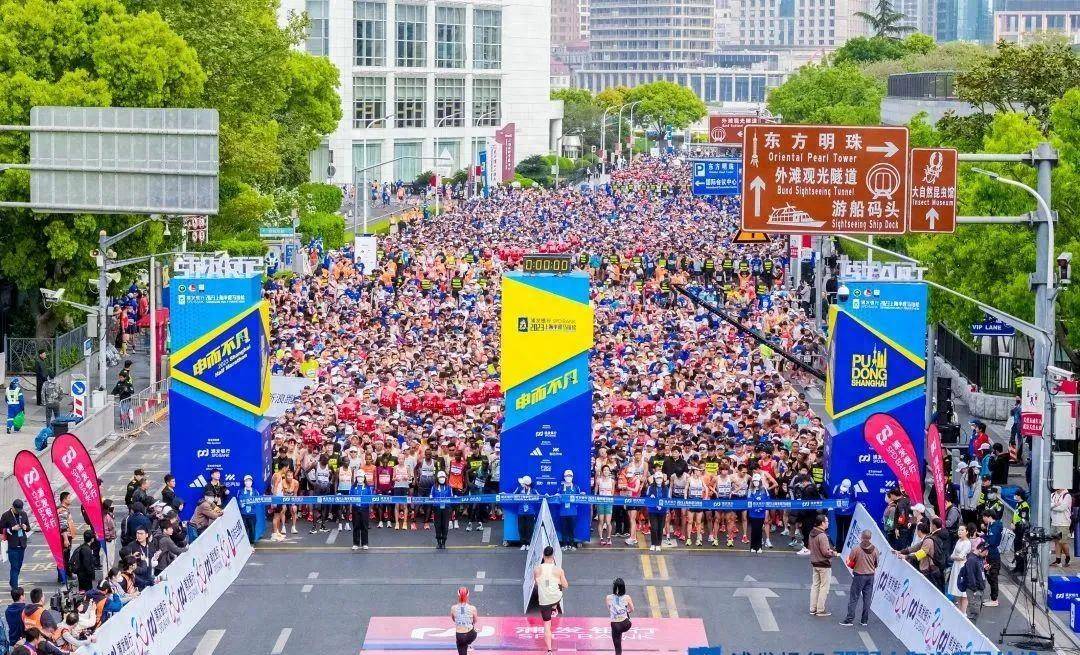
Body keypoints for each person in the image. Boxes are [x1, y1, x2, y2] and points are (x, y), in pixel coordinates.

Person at [533, 546, 568, 655]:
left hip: (543, 601)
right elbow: (566, 585)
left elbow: (536, 583)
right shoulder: (559, 570)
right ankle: (554, 607)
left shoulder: (537, 569)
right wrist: (557, 581)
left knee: (546, 627)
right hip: (555, 598)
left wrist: (546, 583)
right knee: (560, 588)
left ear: (543, 556)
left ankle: (549, 650)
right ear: (553, 556)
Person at [840, 529, 878, 626]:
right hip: (870, 576)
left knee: (854, 598)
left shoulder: (856, 549)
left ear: (861, 537)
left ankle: (849, 619)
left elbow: (849, 562)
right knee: (867, 599)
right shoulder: (875, 550)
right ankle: (864, 620)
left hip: (859, 576)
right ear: (870, 538)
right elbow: (876, 564)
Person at [808, 514, 835, 617]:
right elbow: (825, 552)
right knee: (824, 587)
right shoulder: (822, 536)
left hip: (815, 563)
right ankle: (820, 609)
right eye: (827, 521)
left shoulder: (812, 533)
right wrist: (833, 553)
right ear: (822, 523)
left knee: (815, 585)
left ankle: (813, 608)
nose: (828, 523)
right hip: (824, 564)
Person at [1, 500, 31, 589]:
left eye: (20, 510)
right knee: (14, 566)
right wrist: (12, 528)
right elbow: (1, 528)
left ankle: (12, 581)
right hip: (12, 545)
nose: (18, 511)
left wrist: (26, 528)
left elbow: (28, 528)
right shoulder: (6, 515)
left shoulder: (23, 514)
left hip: (22, 544)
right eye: (17, 510)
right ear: (12, 507)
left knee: (18, 565)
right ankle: (15, 587)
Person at [958, 538, 988, 623]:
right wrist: (975, 590)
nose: (986, 553)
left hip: (979, 589)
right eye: (985, 551)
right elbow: (970, 576)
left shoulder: (979, 559)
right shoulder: (971, 560)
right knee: (973, 613)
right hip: (974, 590)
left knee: (976, 612)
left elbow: (978, 573)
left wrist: (984, 569)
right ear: (980, 550)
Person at [947, 524, 973, 613]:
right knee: (956, 587)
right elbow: (953, 554)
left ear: (967, 532)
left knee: (963, 591)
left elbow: (961, 557)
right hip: (956, 566)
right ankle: (959, 609)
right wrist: (955, 557)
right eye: (959, 530)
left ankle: (963, 611)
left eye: (962, 530)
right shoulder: (958, 541)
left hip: (963, 566)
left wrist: (954, 557)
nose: (960, 532)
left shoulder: (967, 542)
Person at [606, 578, 635, 655]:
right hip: (626, 624)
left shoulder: (608, 597)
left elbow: (609, 609)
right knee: (626, 614)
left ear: (614, 587)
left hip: (615, 625)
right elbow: (632, 609)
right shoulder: (627, 597)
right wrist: (626, 611)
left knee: (617, 646)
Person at [980, 510, 1002, 607]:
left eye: (984, 517)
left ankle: (994, 599)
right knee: (989, 576)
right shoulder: (990, 525)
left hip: (993, 554)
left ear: (988, 516)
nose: (983, 519)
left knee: (993, 576)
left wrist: (984, 539)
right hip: (990, 554)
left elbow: (992, 541)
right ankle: (992, 597)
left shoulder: (995, 526)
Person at [643, 472, 669, 552]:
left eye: (660, 478)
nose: (659, 480)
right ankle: (653, 544)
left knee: (660, 528)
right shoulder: (650, 487)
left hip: (662, 510)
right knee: (654, 528)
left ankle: (658, 544)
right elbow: (646, 497)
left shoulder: (666, 488)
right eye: (657, 478)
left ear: (662, 479)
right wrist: (650, 497)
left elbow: (668, 499)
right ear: (654, 479)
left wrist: (666, 509)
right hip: (652, 510)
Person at [451, 586, 478, 655]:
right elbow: (475, 621)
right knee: (474, 629)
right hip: (471, 634)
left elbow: (454, 619)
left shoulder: (453, 608)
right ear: (468, 595)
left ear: (458, 595)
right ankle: (468, 644)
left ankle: (466, 647)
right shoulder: (473, 608)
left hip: (460, 636)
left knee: (462, 648)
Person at [557, 470, 581, 550]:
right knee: (563, 529)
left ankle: (572, 544)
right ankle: (564, 544)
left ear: (572, 477)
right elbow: (557, 499)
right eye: (567, 476)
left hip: (573, 512)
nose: (568, 477)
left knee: (571, 529)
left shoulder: (576, 487)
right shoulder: (560, 487)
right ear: (564, 477)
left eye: (570, 476)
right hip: (563, 512)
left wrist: (582, 496)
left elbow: (579, 499)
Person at [513, 476, 539, 549]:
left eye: (523, 483)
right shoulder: (519, 489)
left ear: (526, 484)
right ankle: (523, 544)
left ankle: (529, 544)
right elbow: (512, 496)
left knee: (529, 528)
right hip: (521, 512)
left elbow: (539, 497)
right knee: (521, 528)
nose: (521, 484)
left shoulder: (533, 490)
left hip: (530, 512)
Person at [431, 470, 454, 549]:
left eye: (443, 477)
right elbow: (431, 496)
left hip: (446, 509)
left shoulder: (449, 487)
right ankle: (438, 542)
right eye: (440, 477)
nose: (442, 478)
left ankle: (443, 542)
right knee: (438, 525)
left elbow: (451, 497)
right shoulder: (434, 487)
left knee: (445, 525)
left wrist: (455, 498)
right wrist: (431, 498)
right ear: (437, 478)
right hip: (437, 508)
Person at [1051, 487, 1073, 567]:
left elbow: (1062, 508)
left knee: (1063, 542)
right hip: (1054, 522)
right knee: (1056, 541)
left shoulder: (1067, 496)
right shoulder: (1052, 495)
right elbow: (1047, 505)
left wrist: (1052, 506)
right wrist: (1055, 505)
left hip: (1064, 522)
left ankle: (1068, 557)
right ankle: (1058, 560)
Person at [747, 473, 769, 553]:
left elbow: (767, 501)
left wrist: (766, 514)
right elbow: (748, 501)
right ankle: (752, 546)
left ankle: (759, 547)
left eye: (757, 481)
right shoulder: (750, 490)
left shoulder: (764, 490)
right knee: (753, 530)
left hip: (761, 514)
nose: (755, 482)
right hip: (753, 514)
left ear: (760, 481)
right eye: (754, 481)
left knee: (759, 530)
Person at [351, 471, 373, 551]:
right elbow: (350, 497)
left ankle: (365, 543)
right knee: (356, 526)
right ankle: (356, 543)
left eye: (361, 477)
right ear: (356, 478)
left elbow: (370, 498)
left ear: (364, 478)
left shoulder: (368, 487)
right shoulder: (353, 487)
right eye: (358, 477)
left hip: (365, 509)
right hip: (355, 508)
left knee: (364, 526)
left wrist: (370, 509)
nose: (360, 478)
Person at [238, 475, 259, 545]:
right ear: (244, 482)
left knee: (252, 529)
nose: (248, 482)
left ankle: (251, 543)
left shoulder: (255, 492)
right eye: (246, 481)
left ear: (252, 482)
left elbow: (257, 501)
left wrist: (249, 503)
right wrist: (246, 503)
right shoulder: (240, 491)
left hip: (252, 514)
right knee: (243, 529)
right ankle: (243, 543)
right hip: (243, 514)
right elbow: (240, 502)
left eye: (250, 481)